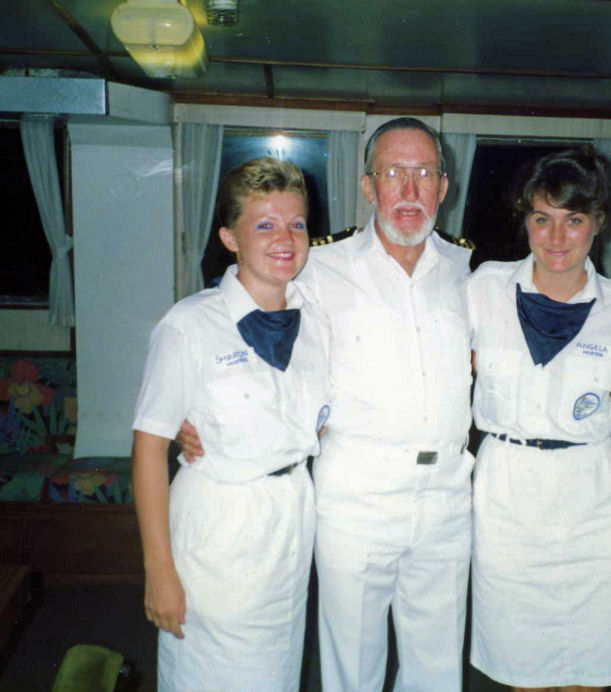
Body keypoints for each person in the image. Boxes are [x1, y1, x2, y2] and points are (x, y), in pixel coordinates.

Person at [178, 117, 474, 691]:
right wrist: (193, 411)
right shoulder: (319, 266)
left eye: (423, 173)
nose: (409, 189)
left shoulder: (468, 272)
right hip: (356, 497)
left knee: (438, 668)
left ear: (443, 186)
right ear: (368, 186)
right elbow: (240, 315)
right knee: (351, 668)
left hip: (446, 498)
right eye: (393, 172)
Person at [131, 157, 329, 691]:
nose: (284, 238)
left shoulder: (317, 319)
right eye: (264, 224)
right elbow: (148, 449)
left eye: (296, 223)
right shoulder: (189, 325)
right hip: (220, 527)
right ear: (229, 237)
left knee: (276, 674)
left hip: (290, 521)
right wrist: (159, 571)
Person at [466, 148, 611, 692]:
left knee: (592, 669)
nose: (557, 236)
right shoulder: (485, 288)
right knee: (523, 668)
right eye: (542, 219)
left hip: (593, 502)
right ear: (525, 221)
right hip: (507, 497)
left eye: (574, 219)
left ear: (599, 223)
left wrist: (598, 415)